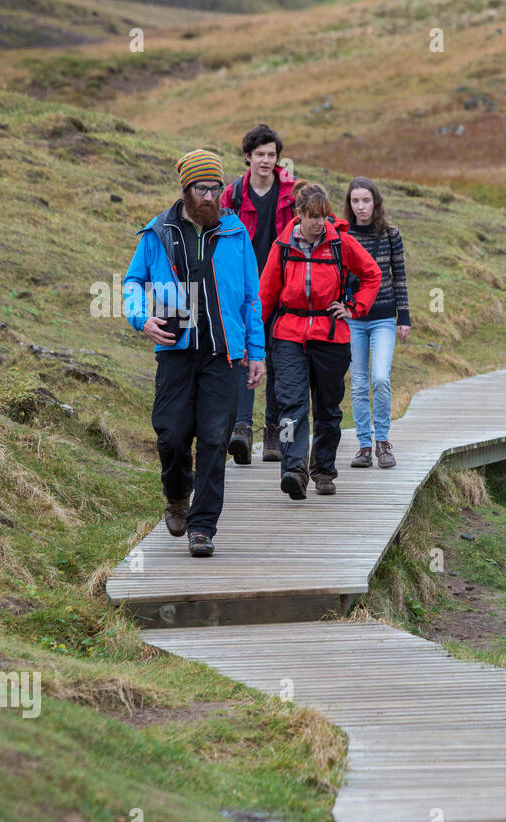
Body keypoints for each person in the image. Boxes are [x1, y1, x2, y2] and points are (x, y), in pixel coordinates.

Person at [123, 148, 265, 557]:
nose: (209, 196)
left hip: (223, 354)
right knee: (170, 434)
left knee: (215, 440)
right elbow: (133, 281)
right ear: (185, 189)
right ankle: (177, 494)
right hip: (175, 348)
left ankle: (202, 527)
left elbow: (251, 300)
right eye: (201, 188)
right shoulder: (158, 233)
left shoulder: (236, 235)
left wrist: (256, 353)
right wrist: (140, 318)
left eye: (215, 188)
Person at [258, 183, 381, 499]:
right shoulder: (282, 247)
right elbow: (266, 295)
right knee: (291, 405)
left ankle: (323, 471)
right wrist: (253, 339)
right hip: (288, 336)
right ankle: (293, 470)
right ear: (298, 214)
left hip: (331, 336)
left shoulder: (341, 243)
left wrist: (353, 307)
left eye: (324, 216)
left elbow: (372, 275)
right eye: (313, 216)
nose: (319, 223)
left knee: (328, 408)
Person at [220, 124, 300, 464]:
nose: (267, 160)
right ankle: (241, 429)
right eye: (260, 155)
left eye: (272, 155)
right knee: (242, 356)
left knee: (278, 361)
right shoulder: (233, 195)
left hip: (282, 289)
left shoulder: (294, 193)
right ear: (248, 157)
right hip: (243, 289)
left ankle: (273, 436)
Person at [342, 177, 411, 469]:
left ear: (375, 202)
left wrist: (404, 317)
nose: (361, 207)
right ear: (349, 204)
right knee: (358, 384)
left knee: (380, 378)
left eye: (366, 200)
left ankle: (383, 440)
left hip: (383, 317)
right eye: (355, 201)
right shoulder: (342, 235)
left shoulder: (391, 234)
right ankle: (364, 445)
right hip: (354, 319)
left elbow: (400, 276)